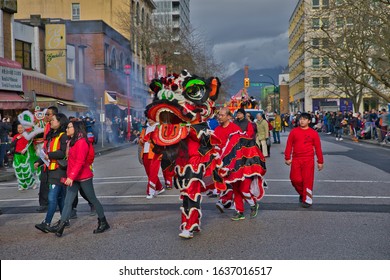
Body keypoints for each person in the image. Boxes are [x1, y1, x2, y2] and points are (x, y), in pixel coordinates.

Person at [51, 120, 110, 237]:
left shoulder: (81, 142)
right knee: (68, 201)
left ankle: (103, 222)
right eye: (67, 127)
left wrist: (71, 176)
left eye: (69, 127)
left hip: (83, 177)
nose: (67, 129)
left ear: (76, 129)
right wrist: (70, 176)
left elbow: (80, 161)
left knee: (92, 199)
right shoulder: (72, 142)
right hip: (74, 176)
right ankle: (61, 226)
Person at [34, 113, 69, 233]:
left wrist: (49, 155)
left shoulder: (63, 136)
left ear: (60, 122)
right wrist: (39, 161)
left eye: (53, 120)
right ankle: (65, 219)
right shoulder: (52, 136)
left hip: (59, 170)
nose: (50, 121)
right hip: (51, 169)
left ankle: (47, 222)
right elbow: (46, 152)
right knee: (59, 197)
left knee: (52, 197)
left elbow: (63, 153)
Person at [284, 112, 324, 208]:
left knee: (307, 180)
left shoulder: (313, 133)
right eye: (301, 119)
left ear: (309, 121)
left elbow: (318, 148)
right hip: (296, 159)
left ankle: (307, 200)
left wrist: (320, 161)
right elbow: (289, 145)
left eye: (304, 119)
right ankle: (303, 193)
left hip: (308, 159)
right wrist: (287, 157)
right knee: (295, 179)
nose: (302, 121)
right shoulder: (294, 132)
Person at [36, 106, 58, 213]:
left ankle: (71, 208)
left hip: (57, 160)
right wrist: (40, 160)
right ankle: (44, 203)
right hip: (46, 159)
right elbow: (46, 145)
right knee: (44, 181)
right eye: (45, 114)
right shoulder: (47, 126)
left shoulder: (61, 129)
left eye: (48, 114)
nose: (46, 116)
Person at [138, 118, 165, 198]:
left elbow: (162, 140)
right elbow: (140, 141)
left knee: (153, 172)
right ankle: (159, 187)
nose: (149, 119)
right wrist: (141, 140)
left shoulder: (159, 128)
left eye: (151, 117)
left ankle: (150, 192)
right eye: (148, 117)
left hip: (155, 153)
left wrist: (152, 140)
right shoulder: (145, 129)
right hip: (145, 153)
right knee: (149, 173)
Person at [11, 123, 38, 190]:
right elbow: (12, 145)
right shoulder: (15, 136)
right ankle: (23, 185)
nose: (20, 129)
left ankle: (32, 183)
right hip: (16, 155)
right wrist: (17, 138)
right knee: (18, 171)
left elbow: (31, 141)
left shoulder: (27, 136)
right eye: (18, 128)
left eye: (21, 128)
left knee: (25, 171)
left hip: (24, 155)